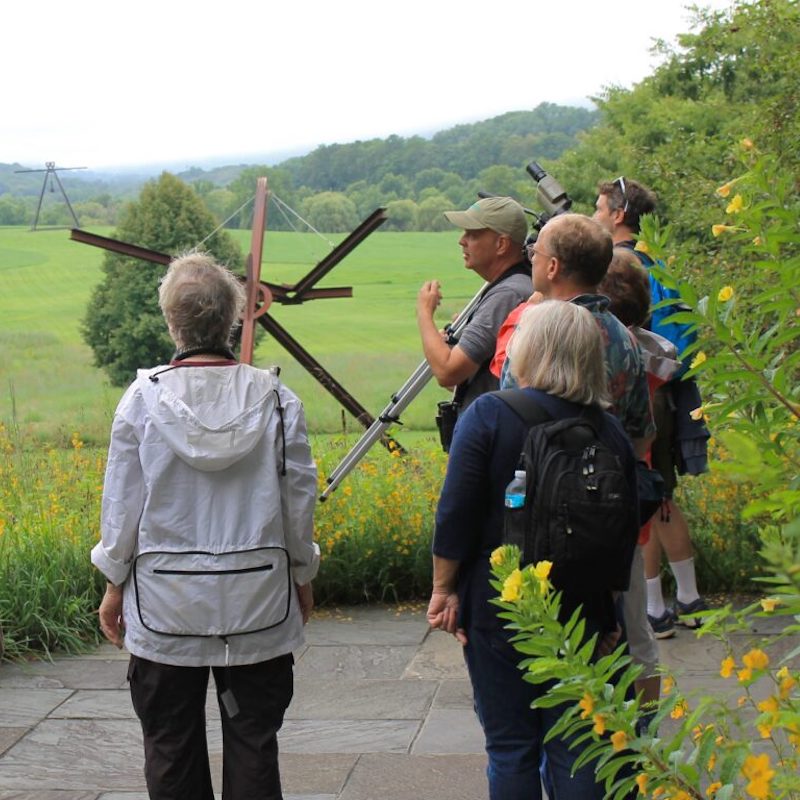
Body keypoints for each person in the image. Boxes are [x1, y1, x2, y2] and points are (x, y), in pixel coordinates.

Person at [91, 252, 320, 800]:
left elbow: (121, 507)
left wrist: (113, 583)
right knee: (254, 740)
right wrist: (303, 573)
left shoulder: (142, 401)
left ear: (173, 322)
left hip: (164, 607)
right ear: (233, 319)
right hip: (259, 601)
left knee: (169, 742)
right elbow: (298, 503)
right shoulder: (277, 401)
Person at [428, 300, 638, 800]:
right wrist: (610, 613)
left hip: (499, 600)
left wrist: (444, 589)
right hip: (583, 604)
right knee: (578, 744)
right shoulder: (609, 431)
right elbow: (623, 530)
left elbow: (454, 513)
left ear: (527, 350)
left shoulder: (489, 415)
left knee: (510, 746)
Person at [594, 178, 710, 638]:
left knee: (642, 497)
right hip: (666, 389)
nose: (595, 213)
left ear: (619, 214)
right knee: (662, 497)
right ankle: (688, 597)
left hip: (640, 390)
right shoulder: (658, 264)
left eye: (599, 206)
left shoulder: (620, 265)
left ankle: (655, 608)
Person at [417, 196, 532, 418]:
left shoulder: (507, 294)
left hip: (492, 432)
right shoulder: (515, 286)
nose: (462, 240)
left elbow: (448, 372)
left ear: (501, 244)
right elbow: (465, 380)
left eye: (473, 234)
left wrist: (424, 313)